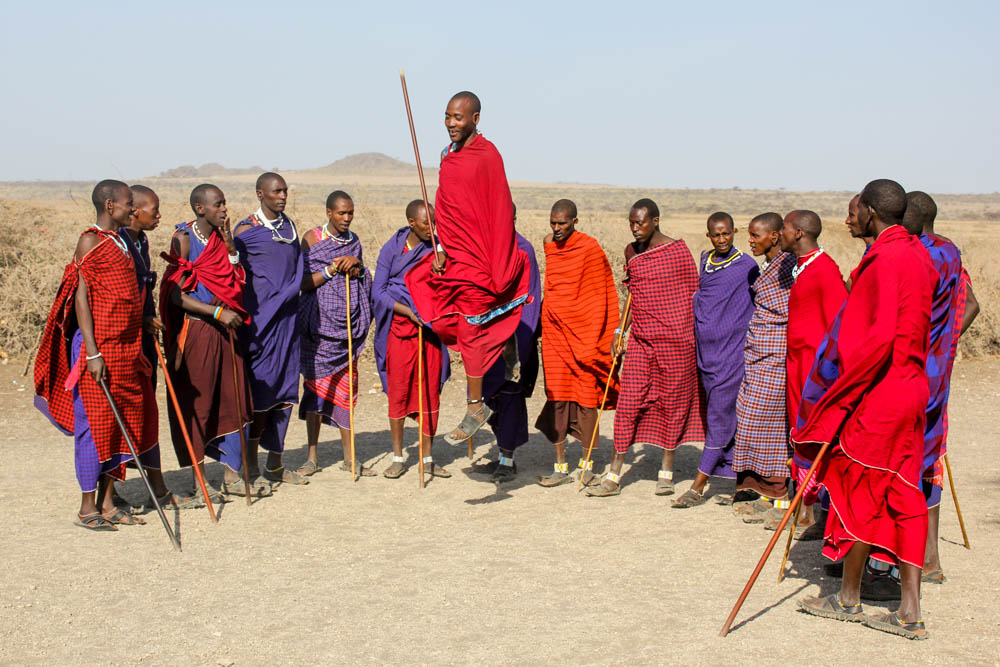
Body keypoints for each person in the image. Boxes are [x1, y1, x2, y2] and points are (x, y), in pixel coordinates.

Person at [795, 179, 937, 640]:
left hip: (881, 391)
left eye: (855, 212)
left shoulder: (883, 260)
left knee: (858, 486)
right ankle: (909, 610)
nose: (849, 218)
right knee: (902, 492)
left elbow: (871, 341)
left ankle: (849, 597)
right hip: (914, 387)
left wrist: (839, 400)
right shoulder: (919, 253)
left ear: (873, 213)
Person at [35, 180, 188, 531]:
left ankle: (107, 502)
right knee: (95, 427)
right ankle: (87, 507)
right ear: (109, 205)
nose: (131, 209)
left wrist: (145, 318)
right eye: (127, 204)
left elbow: (128, 292)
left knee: (125, 425)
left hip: (129, 347)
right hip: (99, 350)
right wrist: (91, 351)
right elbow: (81, 298)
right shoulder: (90, 241)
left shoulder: (124, 242)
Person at [405, 91, 532, 447]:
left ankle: (476, 405)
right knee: (438, 302)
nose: (450, 124)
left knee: (473, 323)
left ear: (475, 118)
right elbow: (446, 208)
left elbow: (500, 208)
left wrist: (499, 258)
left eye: (458, 118)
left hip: (482, 255)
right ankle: (501, 357)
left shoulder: (488, 155)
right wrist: (441, 246)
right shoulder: (447, 157)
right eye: (447, 117)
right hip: (455, 254)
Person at [586, 199, 704, 497]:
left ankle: (666, 471)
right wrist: (618, 331)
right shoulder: (632, 252)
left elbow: (693, 296)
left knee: (672, 405)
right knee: (628, 404)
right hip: (640, 339)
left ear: (656, 221)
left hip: (677, 341)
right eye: (632, 223)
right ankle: (614, 475)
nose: (636, 229)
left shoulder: (677, 252)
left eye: (641, 223)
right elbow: (632, 295)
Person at [160, 184, 259, 498]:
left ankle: (232, 476)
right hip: (199, 332)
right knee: (198, 405)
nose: (224, 209)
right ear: (200, 209)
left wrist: (230, 247)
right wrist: (216, 312)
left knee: (236, 399)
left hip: (226, 332)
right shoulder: (184, 240)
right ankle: (199, 480)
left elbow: (234, 281)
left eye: (225, 203)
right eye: (218, 205)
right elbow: (175, 294)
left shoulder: (221, 238)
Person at [901, 191, 979, 584]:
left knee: (904, 461)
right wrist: (945, 345)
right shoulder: (950, 252)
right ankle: (931, 558)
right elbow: (971, 305)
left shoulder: (919, 254)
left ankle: (899, 559)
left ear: (914, 217)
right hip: (937, 371)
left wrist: (929, 343)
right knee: (929, 458)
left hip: (913, 373)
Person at [765, 209, 846, 537]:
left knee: (816, 436)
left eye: (783, 229)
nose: (779, 234)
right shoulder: (802, 267)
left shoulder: (824, 271)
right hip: (799, 369)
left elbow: (840, 325)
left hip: (817, 375)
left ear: (798, 233)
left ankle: (815, 512)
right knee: (800, 436)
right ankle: (807, 508)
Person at [672, 212, 758, 507]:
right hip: (706, 355)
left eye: (726, 234)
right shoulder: (704, 261)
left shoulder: (746, 266)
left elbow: (752, 307)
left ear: (734, 232)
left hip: (732, 355)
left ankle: (698, 486)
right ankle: (741, 486)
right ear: (708, 235)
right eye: (716, 235)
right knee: (722, 417)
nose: (722, 240)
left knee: (719, 418)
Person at [535, 199, 620, 488]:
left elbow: (601, 293)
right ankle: (559, 466)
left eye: (562, 223)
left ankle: (587, 467)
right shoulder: (550, 246)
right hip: (556, 335)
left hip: (584, 334)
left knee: (586, 399)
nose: (557, 229)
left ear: (575, 221)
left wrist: (602, 335)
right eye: (553, 223)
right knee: (557, 396)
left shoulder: (589, 248)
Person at [233, 172, 308, 485]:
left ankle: (275, 465)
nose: (283, 196)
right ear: (260, 194)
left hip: (288, 323)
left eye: (285, 191)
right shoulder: (245, 231)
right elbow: (233, 272)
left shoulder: (289, 227)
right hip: (261, 323)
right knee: (260, 395)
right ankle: (250, 466)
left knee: (286, 392)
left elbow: (298, 266)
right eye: (276, 192)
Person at [372, 200, 451, 480]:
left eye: (435, 222)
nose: (432, 228)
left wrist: (443, 270)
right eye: (426, 223)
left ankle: (427, 457)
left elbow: (449, 286)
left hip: (429, 331)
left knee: (429, 390)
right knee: (399, 391)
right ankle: (397, 456)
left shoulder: (440, 248)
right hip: (399, 329)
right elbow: (378, 291)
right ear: (411, 223)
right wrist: (408, 311)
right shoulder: (392, 248)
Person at [297, 190, 373, 477]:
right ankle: (311, 457)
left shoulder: (354, 242)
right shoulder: (312, 239)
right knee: (315, 390)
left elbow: (361, 279)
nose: (347, 218)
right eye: (341, 213)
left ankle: (350, 457)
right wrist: (331, 269)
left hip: (345, 329)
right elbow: (302, 283)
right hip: (317, 327)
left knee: (346, 392)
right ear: (328, 212)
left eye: (350, 213)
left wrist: (357, 268)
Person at [730, 213, 796, 520]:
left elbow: (789, 311)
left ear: (774, 236)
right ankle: (757, 488)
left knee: (767, 420)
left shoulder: (788, 268)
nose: (751, 240)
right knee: (748, 415)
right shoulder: (767, 267)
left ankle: (778, 492)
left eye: (756, 235)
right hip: (757, 353)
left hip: (776, 354)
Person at [470, 226, 542, 482]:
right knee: (491, 397)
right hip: (487, 334)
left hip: (513, 337)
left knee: (510, 396)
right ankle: (500, 454)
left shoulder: (523, 250)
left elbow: (530, 297)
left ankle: (507, 460)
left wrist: (524, 338)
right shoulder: (485, 249)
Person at [120, 185, 162, 387]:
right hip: (123, 331)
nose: (159, 215)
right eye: (154, 210)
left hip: (143, 325)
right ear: (135, 210)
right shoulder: (117, 242)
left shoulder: (141, 241)